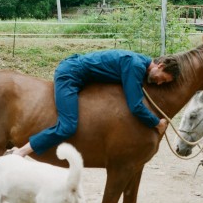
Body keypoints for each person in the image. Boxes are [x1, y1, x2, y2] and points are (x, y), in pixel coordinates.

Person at [12, 49, 179, 157]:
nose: (159, 84)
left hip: (79, 75)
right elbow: (135, 105)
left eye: (163, 84)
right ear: (160, 65)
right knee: (67, 126)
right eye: (162, 79)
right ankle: (21, 152)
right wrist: (156, 123)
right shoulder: (135, 65)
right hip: (70, 75)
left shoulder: (139, 63)